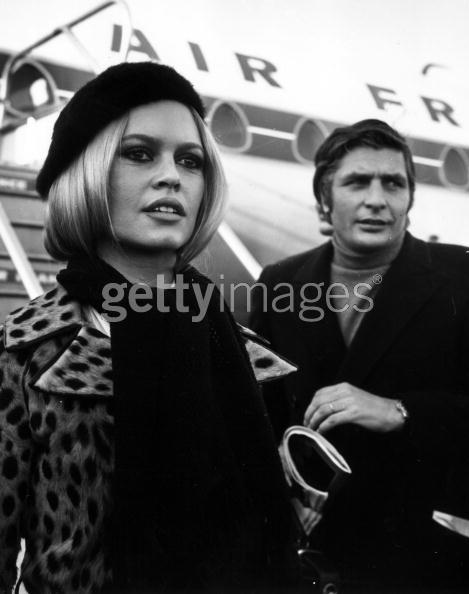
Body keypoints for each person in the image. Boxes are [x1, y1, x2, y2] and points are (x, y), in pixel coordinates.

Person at [0, 61, 299, 593]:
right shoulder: (26, 351)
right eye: (139, 153)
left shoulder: (242, 349)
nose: (172, 176)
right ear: (86, 173)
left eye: (191, 161)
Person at [250, 119, 469, 593]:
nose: (377, 199)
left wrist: (401, 411)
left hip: (425, 561)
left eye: (393, 183)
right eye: (357, 182)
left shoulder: (465, 276)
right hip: (309, 556)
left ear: (409, 199)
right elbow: (258, 415)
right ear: (325, 200)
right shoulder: (279, 282)